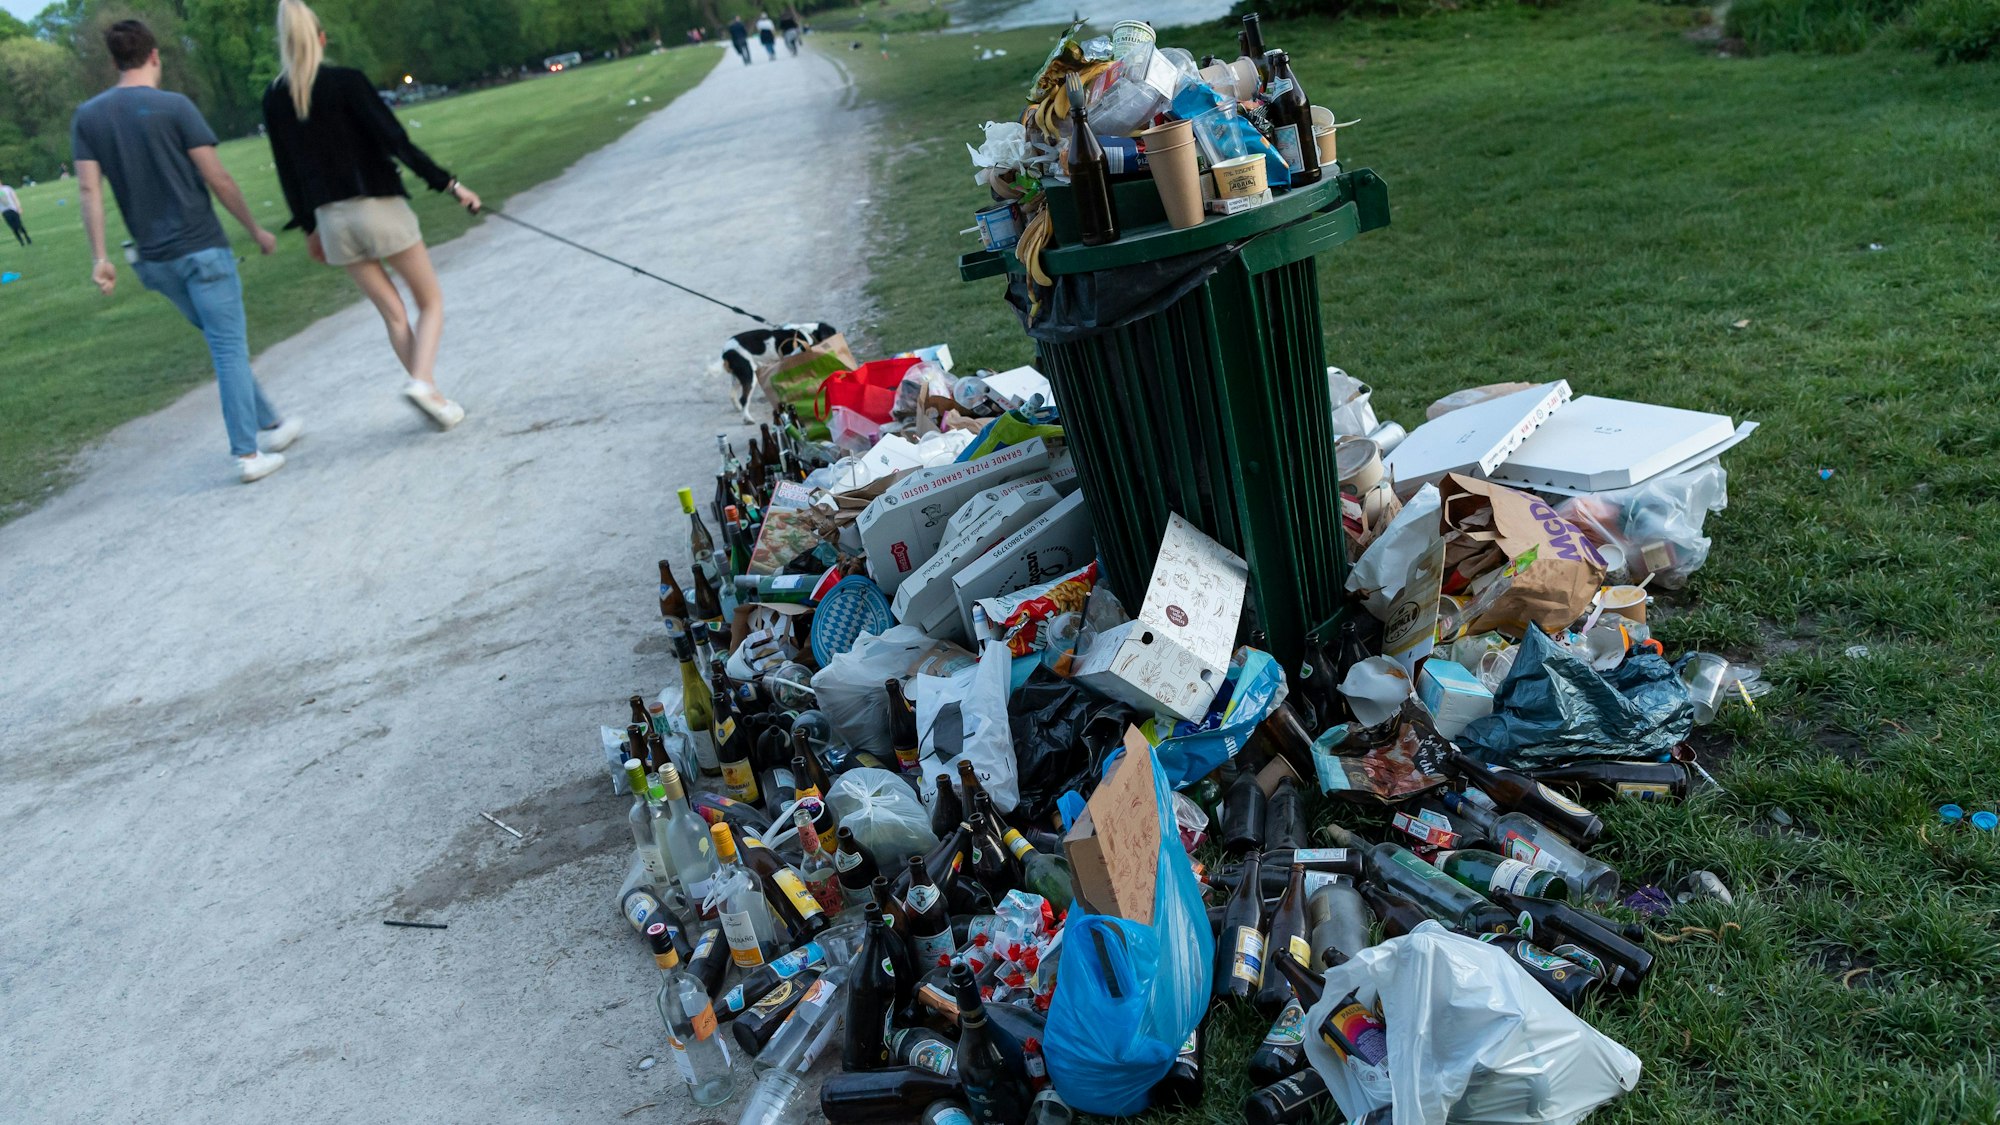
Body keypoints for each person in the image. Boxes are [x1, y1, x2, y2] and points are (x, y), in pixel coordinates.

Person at [71, 19, 298, 484]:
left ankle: (272, 422)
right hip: (202, 251)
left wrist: (100, 257)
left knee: (222, 343)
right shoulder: (175, 106)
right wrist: (255, 229)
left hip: (155, 263)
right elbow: (218, 178)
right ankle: (248, 454)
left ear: (114, 62)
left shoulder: (89, 116)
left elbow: (89, 191)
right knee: (228, 347)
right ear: (155, 55)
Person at [262, 0, 479, 432]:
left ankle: (430, 394)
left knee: (394, 314)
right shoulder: (347, 83)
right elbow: (397, 141)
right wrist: (451, 186)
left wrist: (309, 228)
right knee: (429, 302)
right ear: (321, 39)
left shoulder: (274, 98)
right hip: (377, 207)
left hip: (330, 221)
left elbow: (289, 173)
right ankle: (423, 383)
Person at [1, 180, 27, 245]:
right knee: (13, 227)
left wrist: (19, 207)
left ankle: (27, 237)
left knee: (19, 225)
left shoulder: (7, 188)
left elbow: (15, 198)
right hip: (5, 212)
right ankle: (21, 241)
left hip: (13, 209)